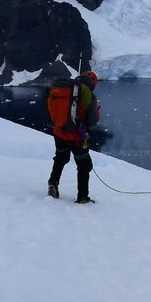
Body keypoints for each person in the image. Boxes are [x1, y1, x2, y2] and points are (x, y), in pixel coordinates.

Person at [47, 70, 100, 204]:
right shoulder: (88, 94)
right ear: (93, 83)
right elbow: (92, 122)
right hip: (77, 136)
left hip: (59, 133)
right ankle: (82, 197)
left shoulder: (65, 87)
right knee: (84, 165)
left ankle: (53, 184)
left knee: (60, 158)